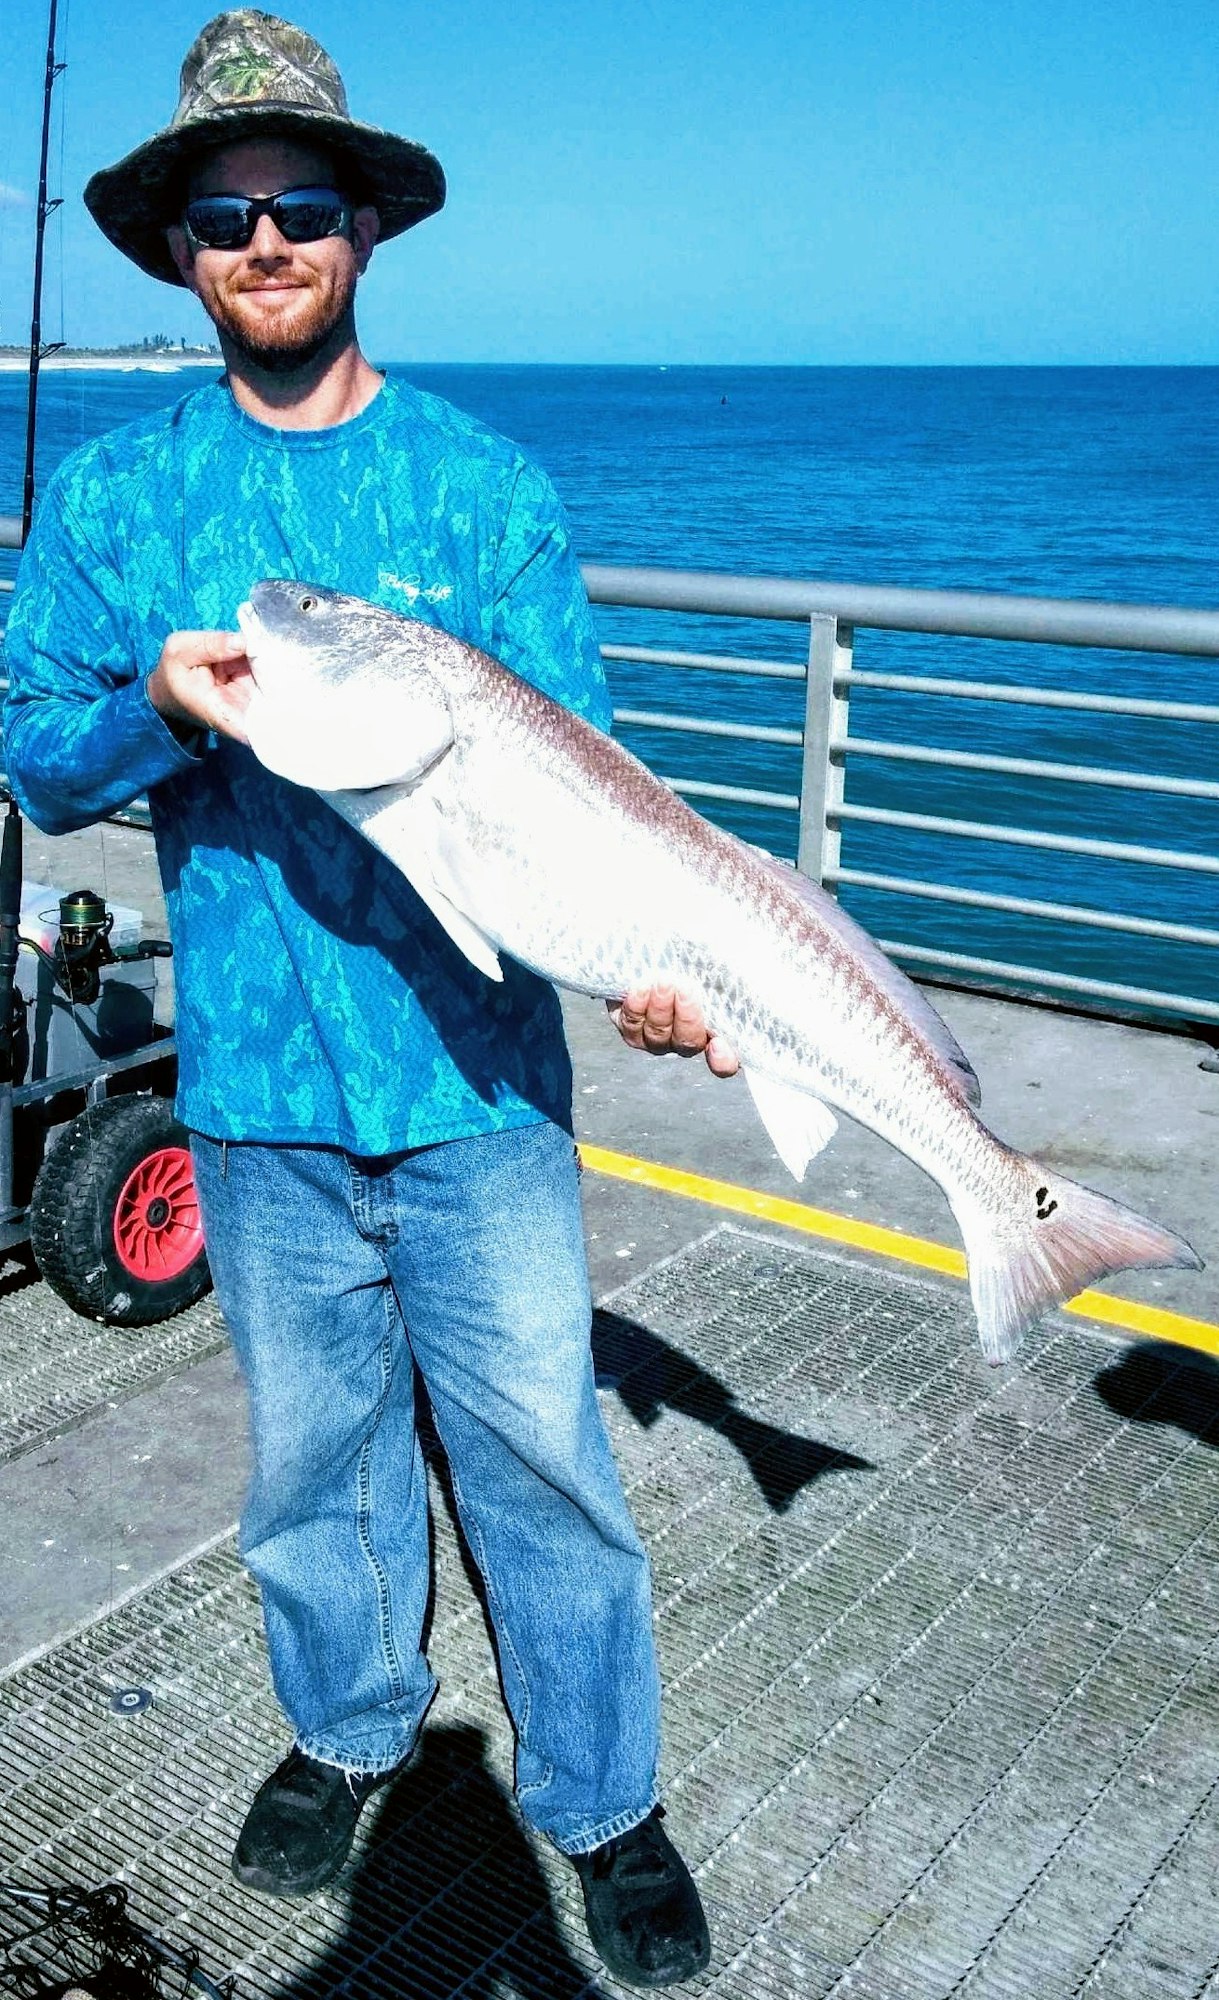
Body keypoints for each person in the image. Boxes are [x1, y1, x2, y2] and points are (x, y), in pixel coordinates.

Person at [3, 11, 740, 1990]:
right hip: (249, 1088)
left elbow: (589, 783)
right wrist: (149, 703)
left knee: (542, 1467)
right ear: (176, 250)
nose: (263, 241)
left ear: (358, 230)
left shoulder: (480, 490)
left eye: (298, 205)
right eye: (222, 215)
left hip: (483, 1081)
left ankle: (602, 1801)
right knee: (309, 1468)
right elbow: (34, 752)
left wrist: (665, 971)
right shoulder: (117, 496)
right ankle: (345, 1733)